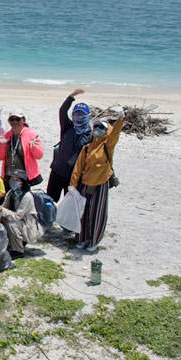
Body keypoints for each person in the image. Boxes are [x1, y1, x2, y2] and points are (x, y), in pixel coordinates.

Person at [70, 108, 125, 254]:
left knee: (97, 214)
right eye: (97, 127)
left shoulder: (107, 146)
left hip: (100, 185)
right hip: (85, 184)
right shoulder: (87, 148)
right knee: (83, 213)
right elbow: (78, 167)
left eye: (102, 128)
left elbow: (115, 134)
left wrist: (120, 120)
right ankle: (81, 239)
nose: (98, 130)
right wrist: (73, 185)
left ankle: (93, 241)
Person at [47, 89, 90, 201]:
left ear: (87, 116)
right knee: (50, 201)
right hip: (57, 171)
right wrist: (71, 96)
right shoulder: (68, 127)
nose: (79, 116)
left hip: (74, 177)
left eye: (82, 114)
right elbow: (62, 111)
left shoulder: (90, 135)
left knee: (69, 204)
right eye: (76, 113)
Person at [0, 169, 45, 258]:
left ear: (22, 182)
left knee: (11, 224)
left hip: (28, 226)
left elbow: (17, 216)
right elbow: (4, 207)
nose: (13, 182)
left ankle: (18, 251)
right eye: (11, 179)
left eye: (16, 180)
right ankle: (12, 244)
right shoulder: (11, 193)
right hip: (20, 223)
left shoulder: (27, 196)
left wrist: (2, 211)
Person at [0, 109, 45, 188]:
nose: (15, 122)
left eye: (18, 119)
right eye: (12, 119)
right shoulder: (6, 135)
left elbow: (39, 156)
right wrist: (2, 145)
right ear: (9, 121)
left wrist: (34, 147)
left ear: (23, 120)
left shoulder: (31, 135)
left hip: (25, 177)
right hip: (9, 176)